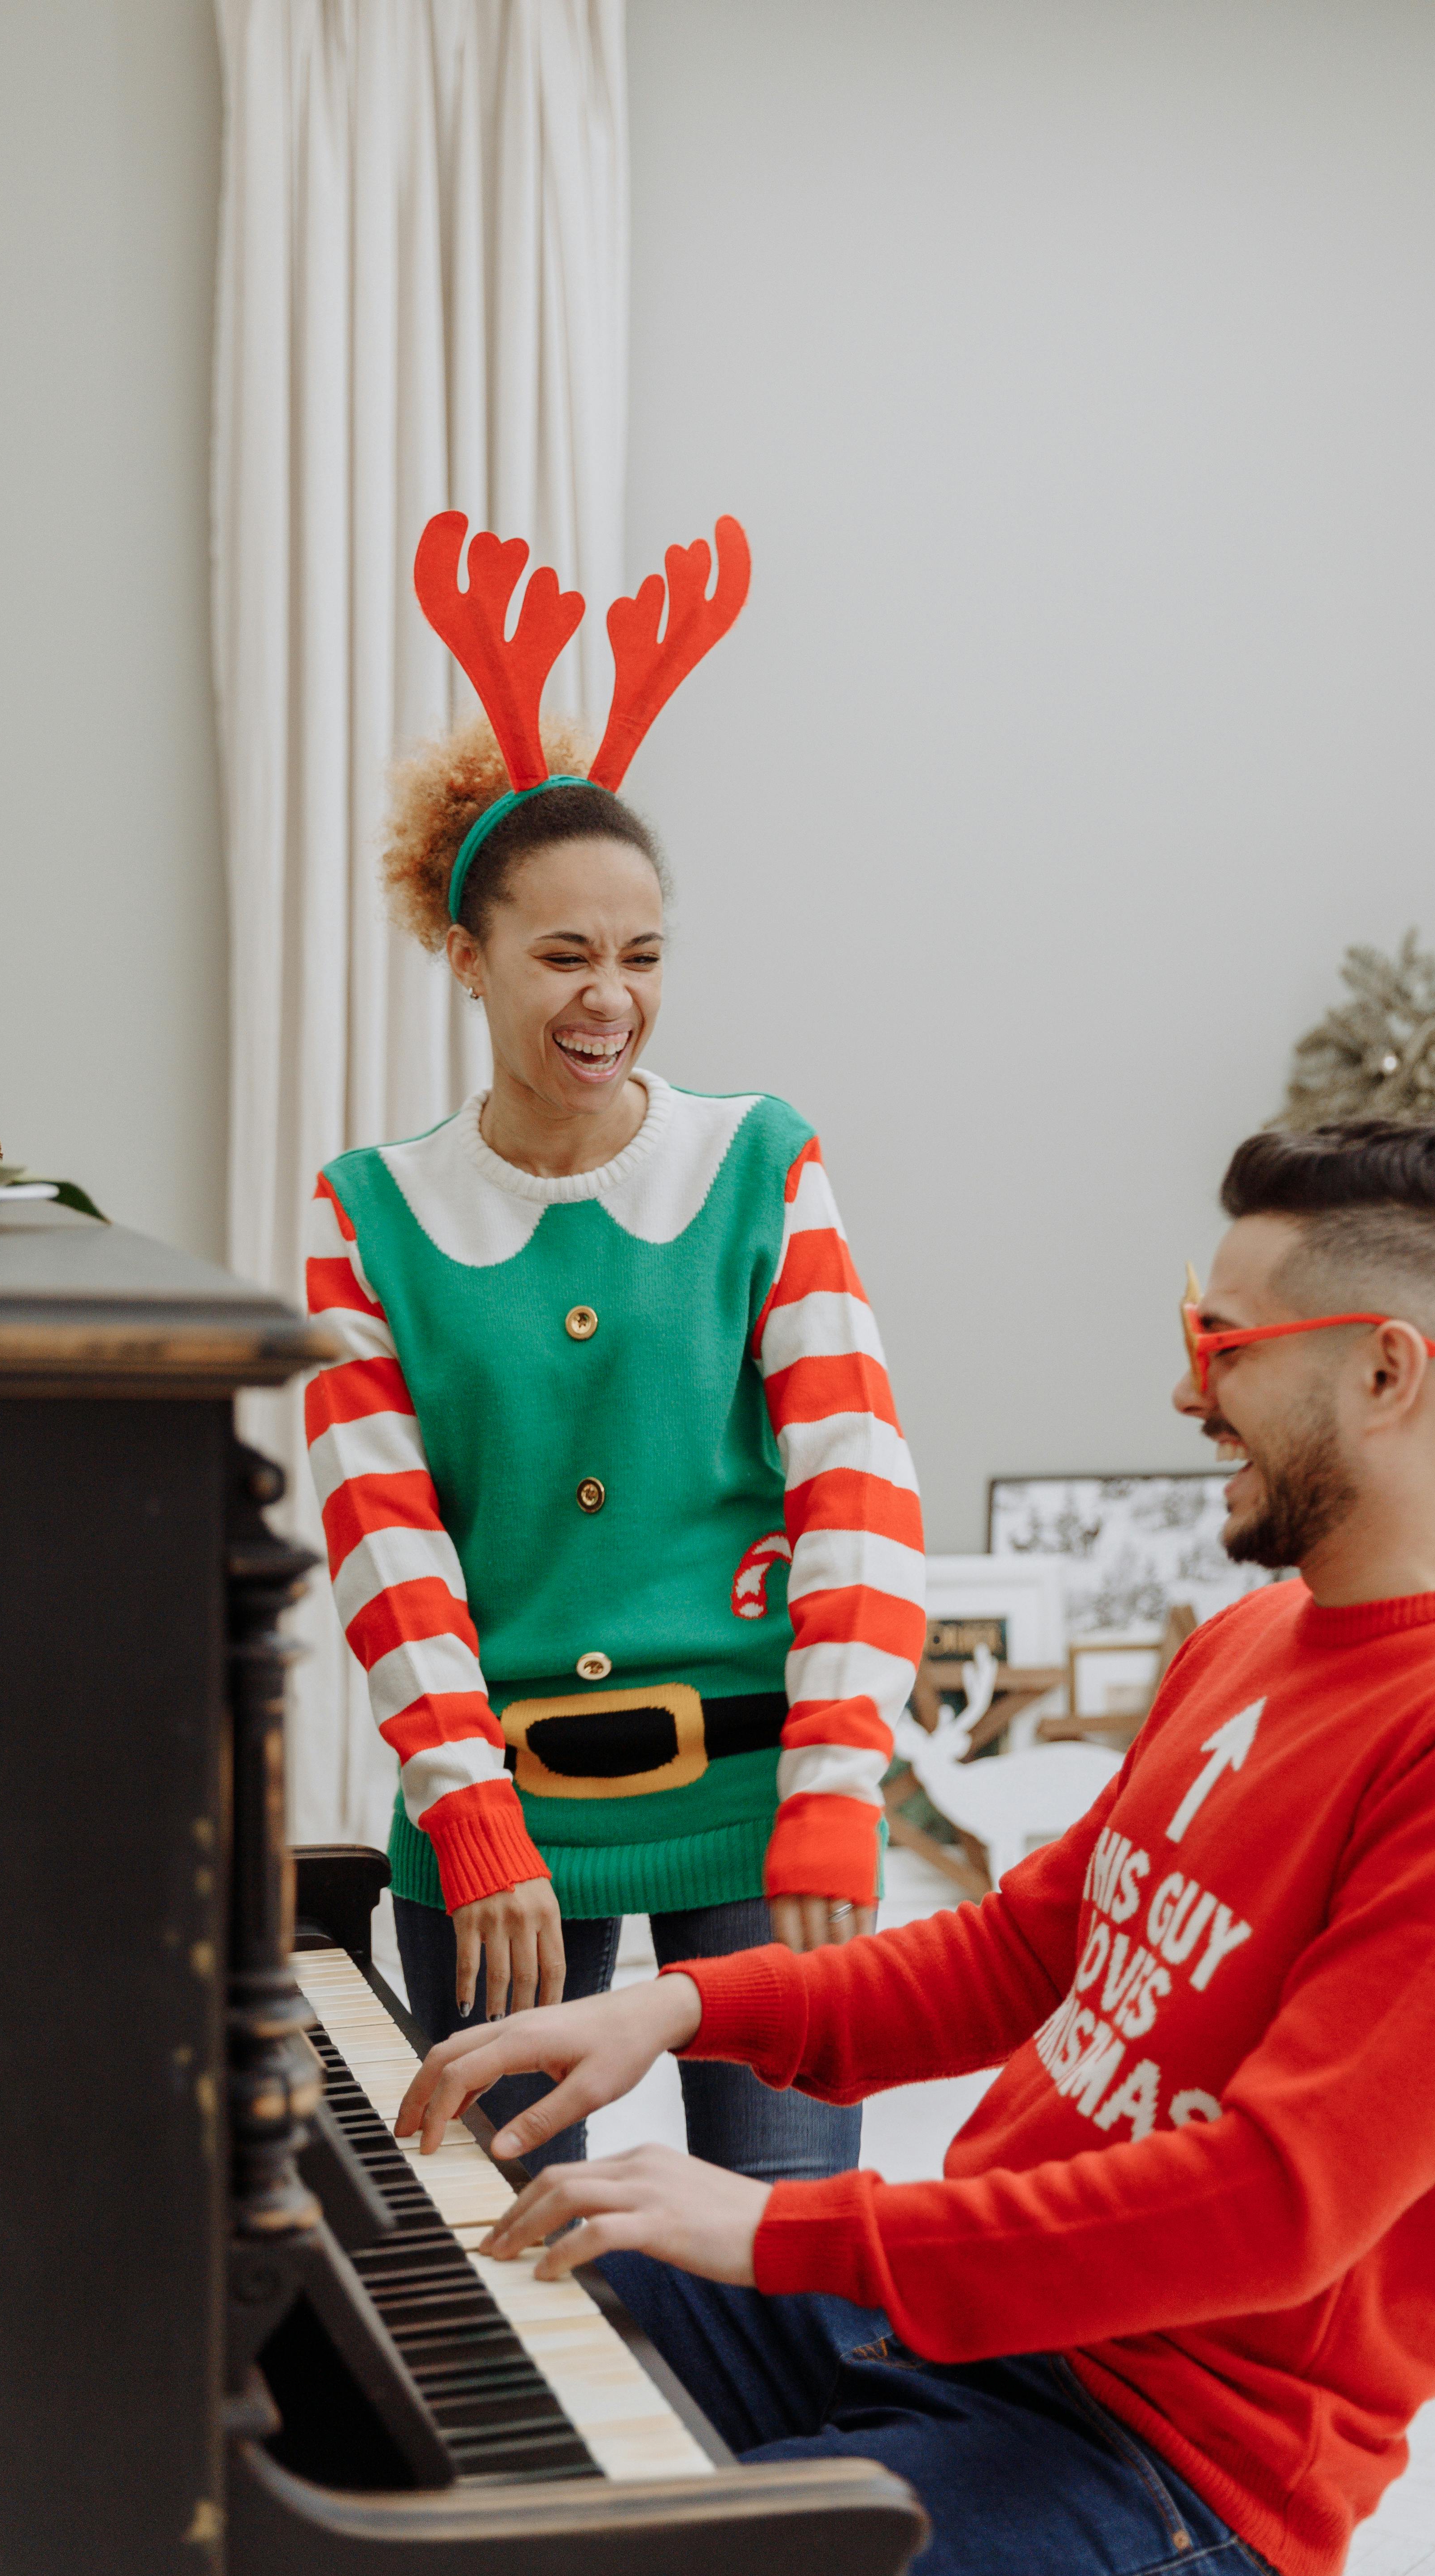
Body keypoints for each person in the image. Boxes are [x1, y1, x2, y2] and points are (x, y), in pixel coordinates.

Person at [396, 1117, 1435, 2576]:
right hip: (967, 2336)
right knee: (483, 2376)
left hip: (1171, 2483)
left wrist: (794, 2226)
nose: (1189, 1391)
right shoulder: (1255, 1645)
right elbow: (1023, 1950)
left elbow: (1280, 2205)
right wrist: (671, 2018)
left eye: (1223, 1346)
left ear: (1385, 1371)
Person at [306, 510, 924, 2180]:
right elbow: (383, 1533)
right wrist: (468, 1807)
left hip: (760, 1799)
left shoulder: (758, 1162)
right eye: (564, 953)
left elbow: (856, 1476)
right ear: (467, 953)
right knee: (513, 2256)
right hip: (499, 1823)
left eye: (642, 956)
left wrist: (837, 1786)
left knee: (792, 2255)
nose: (610, 996)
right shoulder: (371, 1210)